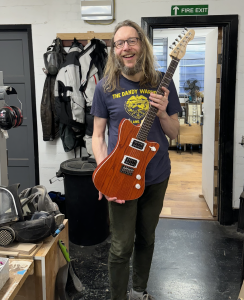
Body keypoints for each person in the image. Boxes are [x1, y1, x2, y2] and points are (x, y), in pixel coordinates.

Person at [91, 19, 181, 300]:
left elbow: (175, 134)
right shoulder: (105, 87)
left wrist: (164, 112)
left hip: (156, 175)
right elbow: (98, 136)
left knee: (146, 238)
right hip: (121, 176)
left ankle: (139, 291)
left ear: (142, 44)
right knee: (120, 245)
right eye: (119, 43)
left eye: (131, 41)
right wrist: (105, 177)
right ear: (114, 50)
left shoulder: (162, 83)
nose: (126, 48)